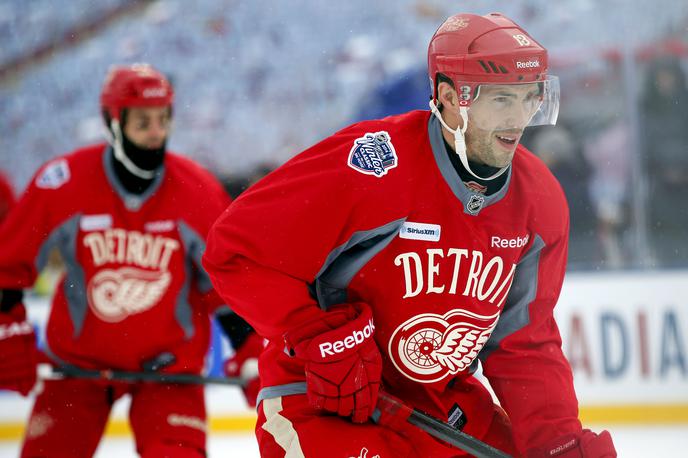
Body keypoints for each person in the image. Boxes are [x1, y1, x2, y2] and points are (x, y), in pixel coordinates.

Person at [203, 12, 616, 458]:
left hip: (438, 408)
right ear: (449, 97)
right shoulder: (375, 166)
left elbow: (524, 343)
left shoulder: (539, 201)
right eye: (501, 100)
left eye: (529, 98)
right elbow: (235, 251)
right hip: (324, 399)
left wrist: (557, 442)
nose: (518, 119)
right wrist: (321, 336)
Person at [0, 63, 261, 457]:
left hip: (169, 376)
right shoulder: (64, 181)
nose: (156, 133)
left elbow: (226, 288)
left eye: (163, 120)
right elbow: (9, 265)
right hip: (76, 371)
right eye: (143, 122)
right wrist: (6, 327)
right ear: (113, 122)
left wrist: (252, 352)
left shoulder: (197, 191)